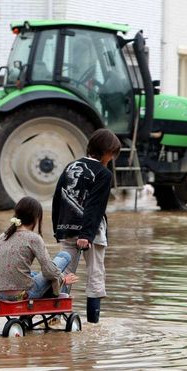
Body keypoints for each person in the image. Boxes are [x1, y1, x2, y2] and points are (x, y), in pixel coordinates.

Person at [52, 128, 121, 323]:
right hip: (91, 233)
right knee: (95, 275)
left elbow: (58, 199)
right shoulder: (103, 174)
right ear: (106, 152)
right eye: (112, 153)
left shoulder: (69, 167)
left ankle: (56, 318)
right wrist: (87, 235)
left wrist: (57, 229)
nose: (112, 158)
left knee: (63, 274)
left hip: (66, 228)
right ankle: (93, 324)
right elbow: (95, 206)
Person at [0, 197, 79, 301]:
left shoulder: (2, 237)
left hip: (3, 294)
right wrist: (62, 279)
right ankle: (57, 298)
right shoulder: (34, 238)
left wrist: (4, 281)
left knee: (34, 274)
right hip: (24, 295)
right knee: (65, 256)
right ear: (35, 217)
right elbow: (48, 271)